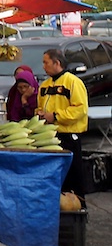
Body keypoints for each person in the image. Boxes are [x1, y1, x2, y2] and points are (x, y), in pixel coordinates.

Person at [37, 48, 88, 204]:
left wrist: (56, 116)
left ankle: (79, 207)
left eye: (46, 62)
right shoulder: (44, 86)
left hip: (69, 136)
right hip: (50, 137)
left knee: (74, 175)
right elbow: (41, 107)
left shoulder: (73, 82)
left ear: (56, 63)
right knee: (58, 177)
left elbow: (80, 109)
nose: (43, 66)